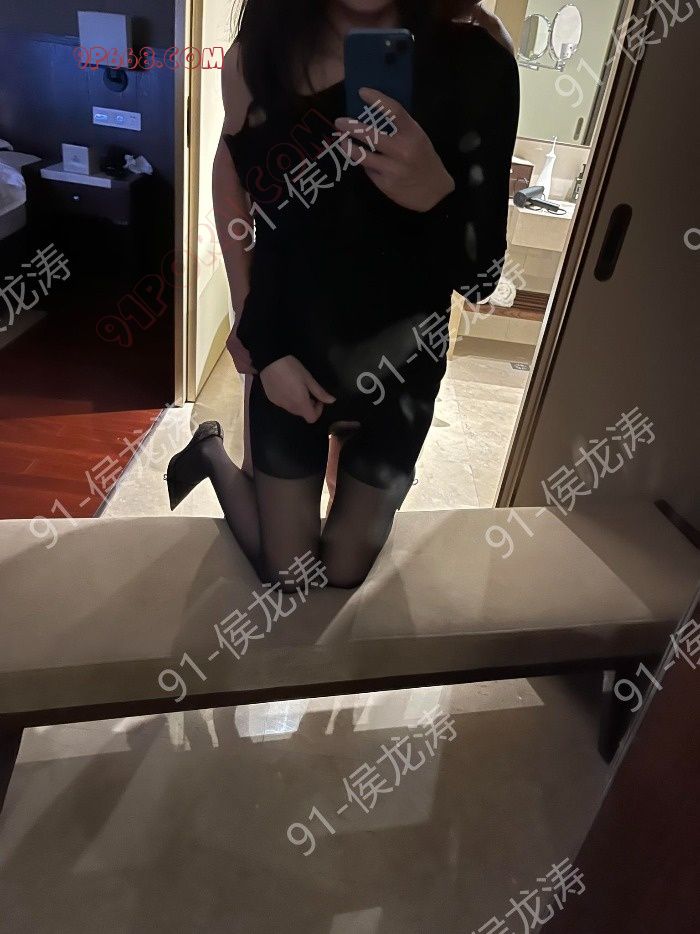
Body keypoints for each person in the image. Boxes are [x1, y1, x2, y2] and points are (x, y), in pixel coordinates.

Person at [166, 0, 519, 591]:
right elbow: (247, 197)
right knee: (289, 573)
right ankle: (210, 453)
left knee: (345, 570)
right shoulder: (259, 58)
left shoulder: (475, 61)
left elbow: (482, 279)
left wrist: (436, 195)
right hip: (293, 350)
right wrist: (258, 335)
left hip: (403, 366)